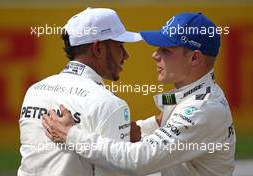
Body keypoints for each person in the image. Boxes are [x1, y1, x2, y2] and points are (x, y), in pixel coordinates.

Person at [43, 12, 236, 176]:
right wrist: (130, 129)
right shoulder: (195, 95)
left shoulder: (201, 109)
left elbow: (138, 160)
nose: (155, 55)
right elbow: (160, 124)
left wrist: (71, 135)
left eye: (165, 50)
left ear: (194, 57)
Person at [18, 7, 144, 176]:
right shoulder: (111, 105)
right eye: (120, 45)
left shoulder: (35, 91)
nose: (126, 55)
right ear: (98, 48)